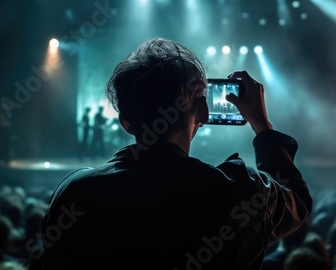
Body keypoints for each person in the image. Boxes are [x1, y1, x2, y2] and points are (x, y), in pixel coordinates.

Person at [41, 38, 313, 269]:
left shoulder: (75, 193)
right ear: (203, 111)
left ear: (126, 122)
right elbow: (297, 202)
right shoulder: (238, 191)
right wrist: (263, 128)